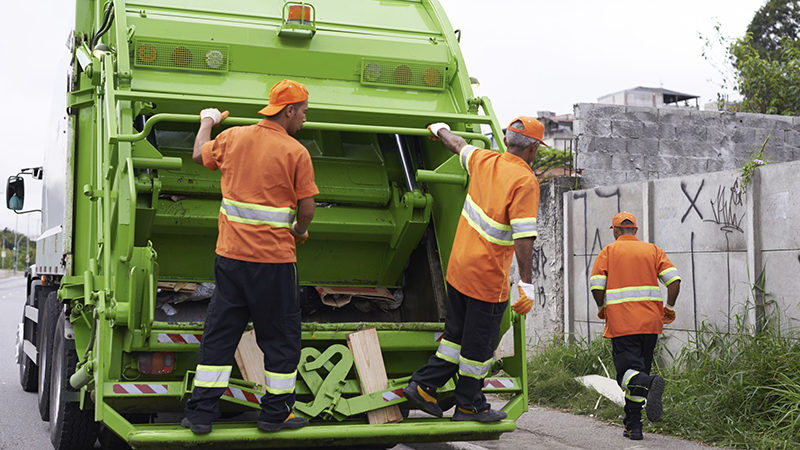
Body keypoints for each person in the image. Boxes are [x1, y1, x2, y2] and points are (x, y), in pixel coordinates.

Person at [182, 79, 318, 434]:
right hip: (274, 264)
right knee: (280, 338)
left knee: (221, 333)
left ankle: (200, 414)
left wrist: (207, 121)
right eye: (303, 111)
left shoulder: (233, 137)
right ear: (289, 110)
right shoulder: (296, 152)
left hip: (231, 259)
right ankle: (275, 414)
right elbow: (307, 209)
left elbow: (198, 155)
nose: (305, 118)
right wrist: (300, 233)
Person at [402, 117, 543, 422]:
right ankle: (469, 405)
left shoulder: (484, 160)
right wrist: (527, 285)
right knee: (478, 347)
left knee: (455, 338)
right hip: (486, 277)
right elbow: (524, 238)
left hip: (459, 269)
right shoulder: (525, 181)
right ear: (533, 149)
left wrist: (439, 129)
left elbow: (459, 145)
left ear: (507, 142)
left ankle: (424, 386)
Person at [589, 212, 680, 440]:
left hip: (622, 323)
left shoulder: (608, 252)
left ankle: (651, 383)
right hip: (650, 324)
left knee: (627, 376)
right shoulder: (653, 250)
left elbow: (596, 286)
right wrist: (668, 308)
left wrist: (601, 306)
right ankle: (634, 426)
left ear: (616, 231)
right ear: (635, 231)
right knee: (637, 374)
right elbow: (674, 280)